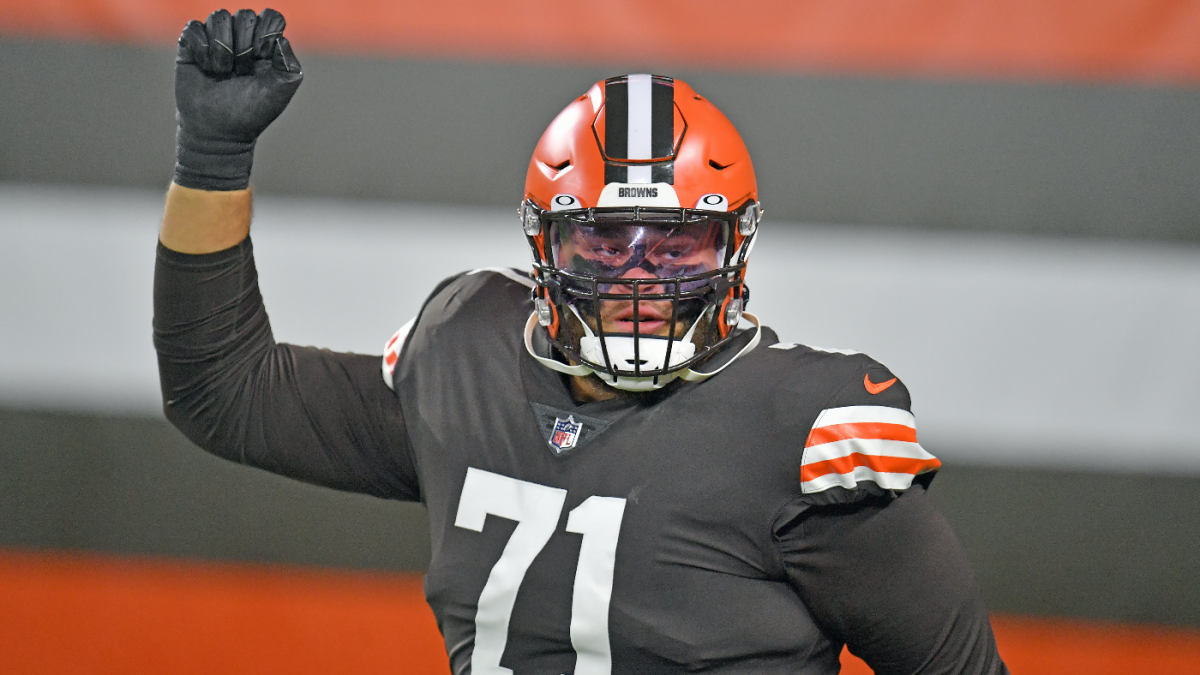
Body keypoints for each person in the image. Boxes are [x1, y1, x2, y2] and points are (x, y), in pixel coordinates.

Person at [155, 9, 1009, 675]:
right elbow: (222, 392)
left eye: (676, 245)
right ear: (543, 248)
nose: (639, 277)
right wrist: (215, 158)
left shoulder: (803, 430)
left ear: (734, 250)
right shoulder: (466, 354)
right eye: (603, 241)